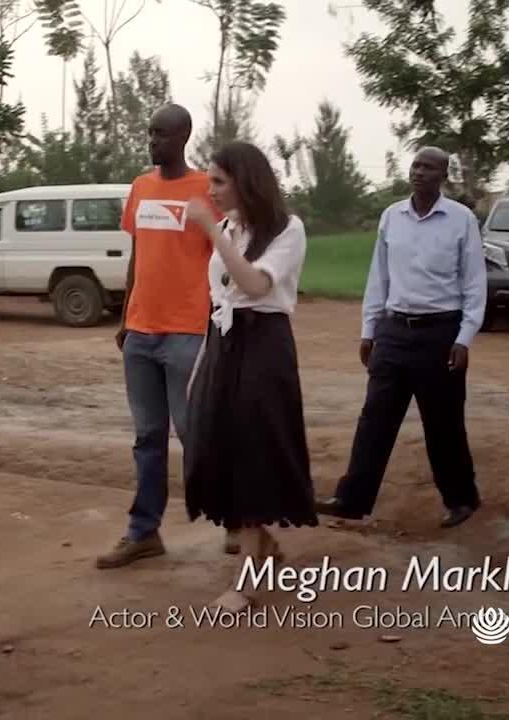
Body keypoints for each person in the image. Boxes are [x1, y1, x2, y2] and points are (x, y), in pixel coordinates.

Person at [96, 103, 237, 569]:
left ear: (183, 137)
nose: (152, 140)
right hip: (140, 332)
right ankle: (144, 532)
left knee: (195, 432)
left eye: (160, 133)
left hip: (187, 332)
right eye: (150, 132)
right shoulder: (140, 187)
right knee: (147, 437)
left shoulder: (205, 190)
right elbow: (139, 254)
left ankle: (233, 517)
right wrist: (124, 318)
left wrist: (219, 317)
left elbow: (227, 254)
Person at [315, 147, 485, 528]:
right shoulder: (392, 216)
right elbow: (380, 278)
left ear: (443, 175)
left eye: (429, 167)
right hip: (393, 332)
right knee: (374, 419)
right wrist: (368, 329)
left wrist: (464, 338)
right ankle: (352, 499)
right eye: (416, 165)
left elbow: (475, 282)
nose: (420, 172)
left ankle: (461, 499)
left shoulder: (461, 220)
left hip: (440, 334)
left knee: (443, 424)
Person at [182, 141, 318, 611]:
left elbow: (256, 284)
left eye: (219, 181)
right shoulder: (228, 227)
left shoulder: (286, 230)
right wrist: (202, 364)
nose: (211, 191)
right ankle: (266, 550)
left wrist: (210, 233)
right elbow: (219, 304)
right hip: (226, 345)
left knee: (254, 455)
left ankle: (247, 583)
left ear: (245, 180)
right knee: (215, 448)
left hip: (264, 347)